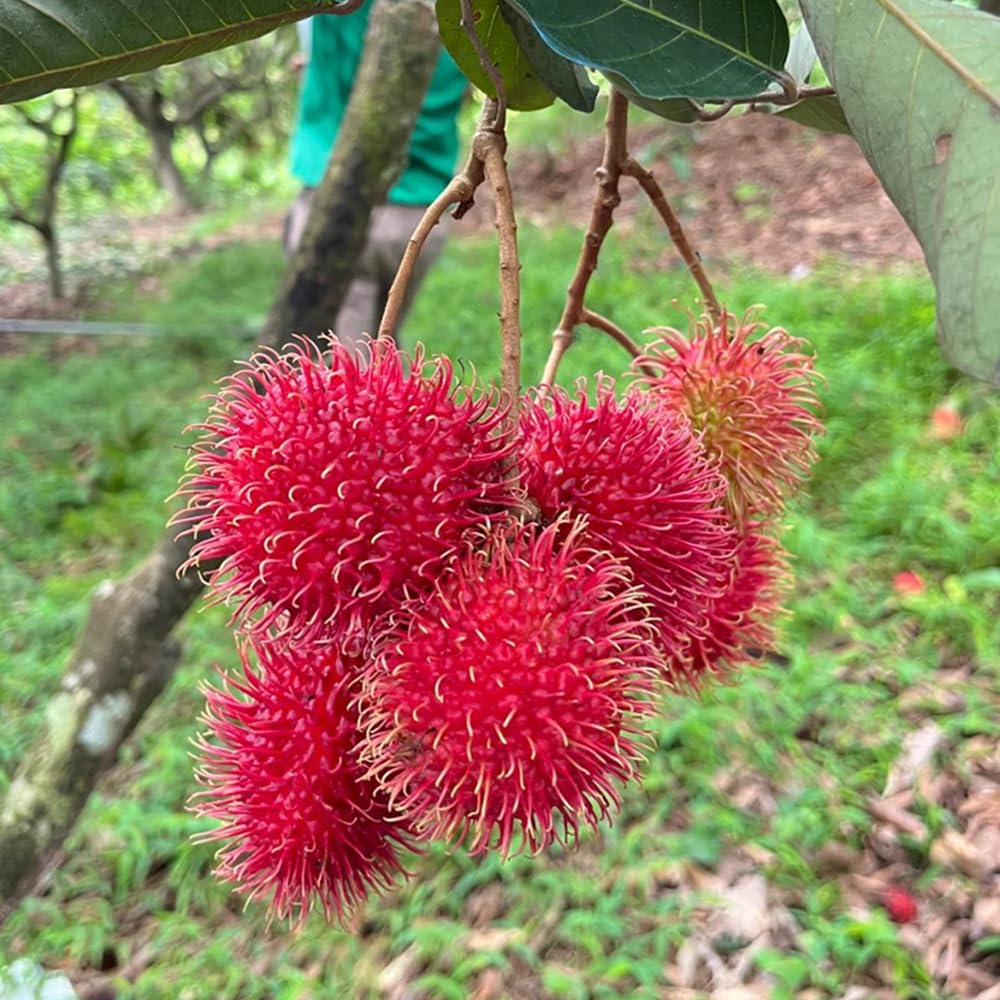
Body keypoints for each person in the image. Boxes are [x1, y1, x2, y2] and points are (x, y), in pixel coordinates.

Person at [285, 10, 468, 347]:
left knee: (347, 361)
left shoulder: (342, 9)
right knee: (385, 346)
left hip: (340, 202)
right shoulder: (469, 18)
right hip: (422, 217)